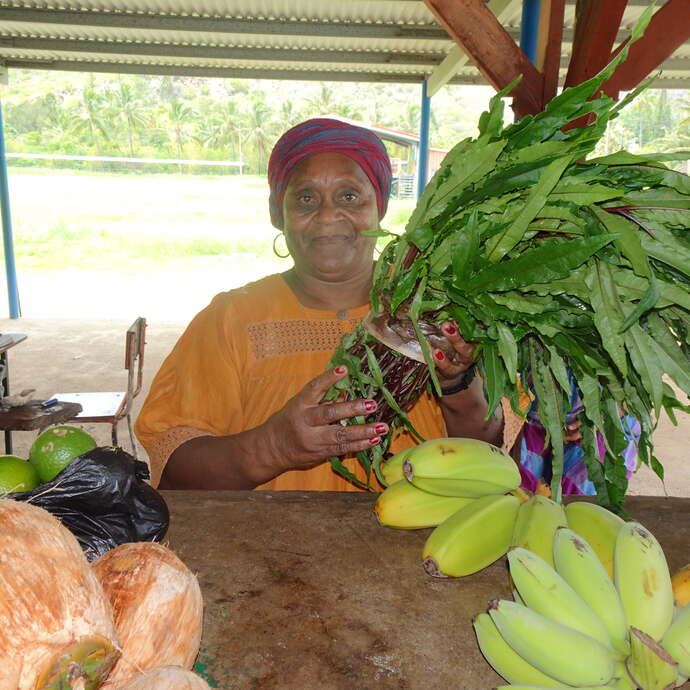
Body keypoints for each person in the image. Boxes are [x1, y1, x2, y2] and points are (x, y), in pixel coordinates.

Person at [135, 118, 524, 491]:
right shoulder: (230, 319)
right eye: (305, 198)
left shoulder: (437, 311)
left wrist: (456, 382)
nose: (328, 215)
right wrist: (273, 447)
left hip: (426, 544)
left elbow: (495, 459)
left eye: (349, 196)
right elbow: (175, 472)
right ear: (277, 213)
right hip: (265, 549)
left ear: (380, 207)